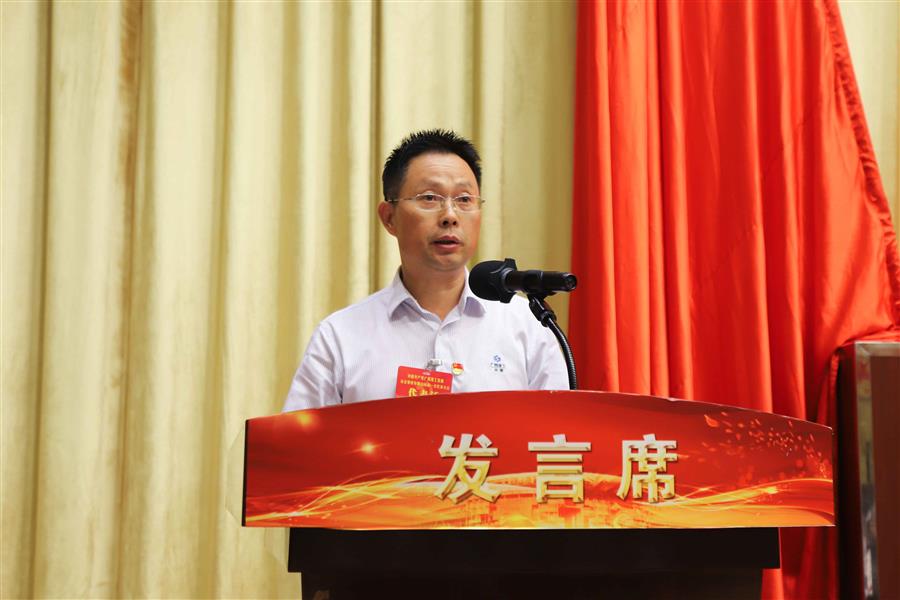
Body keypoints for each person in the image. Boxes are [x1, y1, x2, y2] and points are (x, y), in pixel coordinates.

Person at [283, 129, 568, 411]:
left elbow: (559, 432)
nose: (450, 216)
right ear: (389, 217)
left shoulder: (527, 327)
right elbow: (297, 437)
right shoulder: (340, 336)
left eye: (464, 199)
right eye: (430, 197)